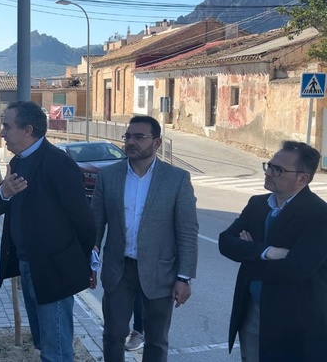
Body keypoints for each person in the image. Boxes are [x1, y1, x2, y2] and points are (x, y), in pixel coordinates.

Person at [0, 101, 97, 361]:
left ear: (28, 130)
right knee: (42, 343)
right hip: (27, 265)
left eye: (6, 126)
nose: (2, 133)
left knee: (55, 349)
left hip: (54, 270)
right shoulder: (18, 163)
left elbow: (84, 220)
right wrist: (4, 192)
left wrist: (79, 262)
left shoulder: (58, 163)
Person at [91, 115, 198, 362]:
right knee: (113, 334)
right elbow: (96, 224)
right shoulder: (109, 176)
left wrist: (184, 277)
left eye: (139, 137)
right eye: (128, 136)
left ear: (157, 143)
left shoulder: (176, 179)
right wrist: (91, 262)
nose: (131, 142)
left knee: (157, 340)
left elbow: (187, 231)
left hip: (161, 272)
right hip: (119, 269)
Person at [218, 141, 327, 362]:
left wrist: (248, 255)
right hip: (252, 312)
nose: (269, 172)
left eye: (277, 169)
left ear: (302, 179)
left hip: (295, 319)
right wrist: (266, 251)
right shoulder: (257, 204)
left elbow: (296, 270)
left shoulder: (318, 215)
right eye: (269, 165)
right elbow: (225, 242)